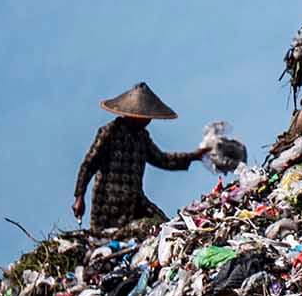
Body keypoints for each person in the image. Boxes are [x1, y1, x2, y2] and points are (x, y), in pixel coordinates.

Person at [73, 82, 204, 229]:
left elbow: (161, 159)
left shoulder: (142, 136)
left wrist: (194, 156)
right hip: (109, 204)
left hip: (134, 200)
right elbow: (89, 164)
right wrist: (79, 196)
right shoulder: (109, 132)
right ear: (134, 114)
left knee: (163, 226)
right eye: (145, 116)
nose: (148, 120)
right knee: (109, 237)